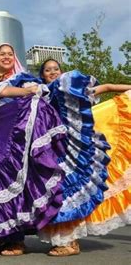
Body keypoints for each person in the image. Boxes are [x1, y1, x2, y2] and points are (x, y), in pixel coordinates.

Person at [0, 51, 66, 257]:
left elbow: (16, 92)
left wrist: (29, 92)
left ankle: (15, 240)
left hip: (3, 140)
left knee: (9, 188)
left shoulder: (4, 81)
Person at [38, 58, 131, 256]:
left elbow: (107, 86)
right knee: (59, 194)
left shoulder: (73, 90)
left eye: (56, 69)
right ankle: (67, 241)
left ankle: (70, 242)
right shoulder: (39, 96)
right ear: (42, 75)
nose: (52, 72)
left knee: (72, 191)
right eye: (47, 70)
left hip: (77, 147)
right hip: (53, 150)